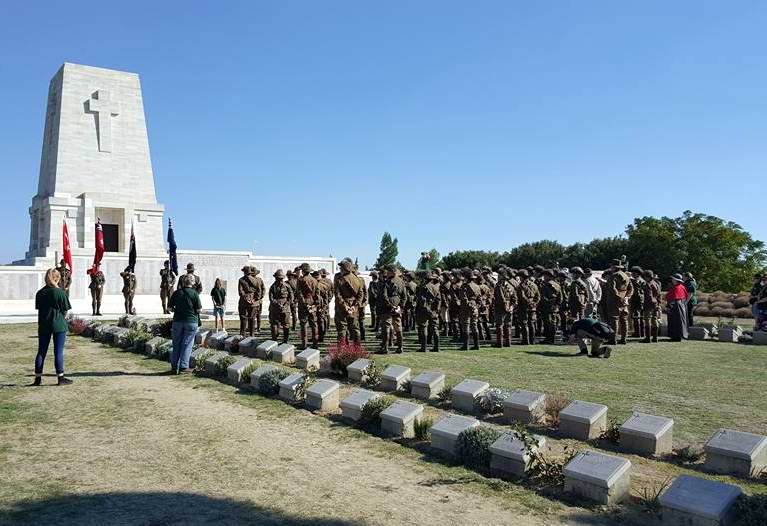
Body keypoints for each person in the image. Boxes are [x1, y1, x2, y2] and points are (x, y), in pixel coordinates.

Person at [33, 268, 73, 386]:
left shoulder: (40, 293)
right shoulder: (60, 293)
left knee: (41, 352)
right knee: (58, 352)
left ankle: (38, 378)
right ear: (57, 279)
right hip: (59, 324)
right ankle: (60, 378)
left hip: (44, 324)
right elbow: (65, 310)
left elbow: (39, 308)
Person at [168, 274, 201, 374]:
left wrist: (176, 309)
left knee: (176, 343)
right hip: (191, 321)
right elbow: (199, 309)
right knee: (187, 344)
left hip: (177, 320)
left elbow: (169, 308)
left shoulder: (177, 293)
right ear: (192, 282)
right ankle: (183, 366)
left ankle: (174, 366)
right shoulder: (194, 294)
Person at [334, 258, 365, 344]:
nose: (340, 269)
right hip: (354, 306)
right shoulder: (357, 279)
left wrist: (345, 306)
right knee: (355, 328)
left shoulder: (339, 279)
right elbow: (360, 294)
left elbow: (338, 295)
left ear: (344, 269)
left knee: (342, 328)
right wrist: (355, 306)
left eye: (341, 268)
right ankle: (357, 349)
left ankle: (342, 350)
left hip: (342, 307)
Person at [379, 265, 407, 354]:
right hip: (397, 307)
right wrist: (400, 307)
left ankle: (385, 348)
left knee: (386, 327)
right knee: (398, 327)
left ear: (391, 272)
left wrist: (391, 306)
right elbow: (404, 297)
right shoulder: (401, 282)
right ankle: (400, 347)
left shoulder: (387, 282)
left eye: (388, 271)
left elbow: (384, 296)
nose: (386, 273)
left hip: (387, 308)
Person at [605, 259, 632, 345]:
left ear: (614, 267)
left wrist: (619, 297)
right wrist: (627, 297)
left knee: (614, 320)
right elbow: (631, 289)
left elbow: (612, 289)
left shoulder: (613, 276)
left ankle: (613, 339)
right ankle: (624, 339)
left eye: (611, 266)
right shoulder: (626, 276)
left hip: (614, 301)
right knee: (624, 320)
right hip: (624, 301)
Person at [415, 271, 442, 352]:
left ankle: (424, 348)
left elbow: (422, 301)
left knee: (424, 327)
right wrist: (436, 310)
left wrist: (428, 310)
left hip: (424, 310)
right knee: (435, 328)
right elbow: (439, 300)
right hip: (434, 310)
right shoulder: (436, 287)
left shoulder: (422, 288)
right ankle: (437, 347)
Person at [297, 263, 320, 349]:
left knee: (303, 324)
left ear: (303, 271)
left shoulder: (301, 280)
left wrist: (305, 304)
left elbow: (299, 294)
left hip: (304, 304)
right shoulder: (314, 280)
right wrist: (315, 304)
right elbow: (318, 293)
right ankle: (315, 343)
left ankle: (304, 344)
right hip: (313, 303)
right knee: (314, 324)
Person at [459, 269, 483, 350]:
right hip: (475, 307)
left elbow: (464, 298)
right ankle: (477, 345)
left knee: (466, 325)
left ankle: (466, 345)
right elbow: (480, 299)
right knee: (474, 325)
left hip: (466, 308)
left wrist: (470, 305)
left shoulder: (464, 286)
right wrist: (476, 306)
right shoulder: (477, 286)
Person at [493, 268, 517, 348]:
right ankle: (508, 343)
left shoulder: (498, 286)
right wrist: (511, 306)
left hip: (501, 307)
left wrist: (505, 306)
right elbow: (514, 297)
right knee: (508, 325)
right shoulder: (510, 285)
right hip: (509, 307)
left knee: (499, 325)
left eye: (499, 275)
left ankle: (499, 343)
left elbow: (500, 298)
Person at [269, 269, 293, 343]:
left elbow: (271, 298)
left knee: (276, 324)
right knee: (281, 325)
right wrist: (285, 304)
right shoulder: (285, 286)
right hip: (282, 308)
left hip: (278, 307)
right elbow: (291, 297)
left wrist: (282, 304)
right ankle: (282, 340)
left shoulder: (273, 286)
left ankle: (277, 341)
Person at [516, 269, 540, 345]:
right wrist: (534, 303)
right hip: (532, 307)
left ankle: (525, 340)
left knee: (524, 324)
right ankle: (532, 340)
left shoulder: (521, 286)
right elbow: (538, 296)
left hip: (524, 307)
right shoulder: (534, 285)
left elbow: (522, 296)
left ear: (522, 277)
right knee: (531, 323)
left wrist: (528, 303)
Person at [539, 270, 563, 344]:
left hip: (547, 307)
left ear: (548, 276)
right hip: (554, 307)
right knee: (553, 323)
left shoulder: (546, 285)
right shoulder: (557, 284)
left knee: (548, 323)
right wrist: (557, 305)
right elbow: (560, 297)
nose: (544, 277)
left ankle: (549, 339)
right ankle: (551, 338)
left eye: (545, 275)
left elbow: (543, 297)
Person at [237, 266, 261, 337]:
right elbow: (259, 291)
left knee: (243, 318)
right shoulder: (256, 280)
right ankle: (252, 335)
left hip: (244, 302)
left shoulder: (241, 280)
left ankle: (243, 335)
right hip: (254, 302)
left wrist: (246, 298)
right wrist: (255, 299)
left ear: (244, 272)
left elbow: (240, 292)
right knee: (252, 318)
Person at [666, 273, 689, 342]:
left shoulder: (676, 287)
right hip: (681, 305)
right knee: (680, 322)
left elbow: (673, 298)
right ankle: (679, 336)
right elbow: (685, 296)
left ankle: (676, 337)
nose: (672, 280)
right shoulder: (682, 286)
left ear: (676, 280)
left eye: (673, 279)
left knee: (675, 322)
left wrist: (669, 306)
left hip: (676, 305)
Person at [642, 269, 661, 343]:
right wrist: (658, 303)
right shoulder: (656, 283)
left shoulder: (648, 284)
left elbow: (649, 296)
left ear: (647, 277)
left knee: (647, 321)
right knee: (654, 320)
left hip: (649, 305)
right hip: (656, 304)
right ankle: (655, 338)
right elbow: (659, 295)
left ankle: (648, 338)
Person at [629, 266, 646, 338]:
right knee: (640, 317)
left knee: (637, 317)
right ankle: (642, 333)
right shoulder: (642, 280)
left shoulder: (637, 281)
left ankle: (638, 333)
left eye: (633, 273)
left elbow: (637, 292)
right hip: (640, 300)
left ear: (637, 273)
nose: (632, 274)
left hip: (637, 301)